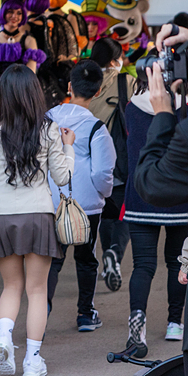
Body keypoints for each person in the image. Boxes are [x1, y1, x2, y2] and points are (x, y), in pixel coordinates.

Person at [0, 65, 75, 376]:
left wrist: (0, 170)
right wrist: (68, 147)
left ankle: (4, 338)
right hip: (38, 216)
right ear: (34, 94)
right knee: (36, 290)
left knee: (11, 287)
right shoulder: (48, 131)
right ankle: (32, 360)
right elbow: (63, 176)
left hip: (2, 216)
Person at [121, 53, 188, 355]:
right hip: (178, 197)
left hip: (141, 194)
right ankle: (175, 323)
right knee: (177, 262)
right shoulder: (181, 110)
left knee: (143, 265)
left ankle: (137, 326)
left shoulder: (130, 109)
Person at [45, 60, 115, 332]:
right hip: (87, 206)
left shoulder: (48, 119)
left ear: (70, 86)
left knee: (53, 259)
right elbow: (102, 172)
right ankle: (86, 314)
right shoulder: (97, 128)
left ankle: (44, 308)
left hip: (51, 202)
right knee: (86, 259)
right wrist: (103, 195)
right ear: (97, 92)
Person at [88, 37, 133, 293]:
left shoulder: (85, 82)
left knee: (104, 213)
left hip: (93, 161)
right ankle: (114, 254)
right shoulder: (125, 80)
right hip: (120, 159)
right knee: (123, 212)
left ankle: (106, 261)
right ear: (116, 60)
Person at [0, 0, 46, 126]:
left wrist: (16, 90)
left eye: (19, 13)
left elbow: (31, 72)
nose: (15, 16)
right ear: (4, 13)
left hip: (20, 93)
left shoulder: (29, 40)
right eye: (11, 12)